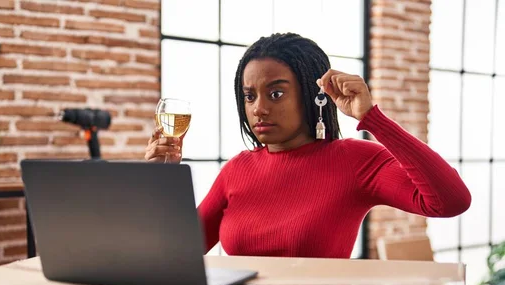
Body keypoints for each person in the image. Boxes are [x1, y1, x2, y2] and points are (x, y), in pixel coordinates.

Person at [144, 33, 471, 258]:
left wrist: (373, 119)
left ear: (312, 94)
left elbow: (450, 201)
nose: (258, 108)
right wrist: (161, 183)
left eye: (275, 94)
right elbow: (176, 254)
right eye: (249, 95)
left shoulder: (356, 161)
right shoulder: (237, 170)